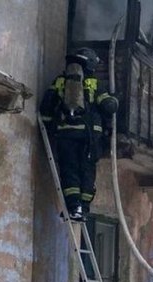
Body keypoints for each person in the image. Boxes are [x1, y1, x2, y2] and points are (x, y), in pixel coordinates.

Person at [40, 47, 118, 221]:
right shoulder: (94, 83)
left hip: (65, 136)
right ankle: (83, 208)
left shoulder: (61, 81)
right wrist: (115, 99)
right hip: (90, 138)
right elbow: (108, 106)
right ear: (90, 64)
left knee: (70, 171)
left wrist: (48, 126)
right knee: (87, 172)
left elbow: (46, 106)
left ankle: (74, 207)